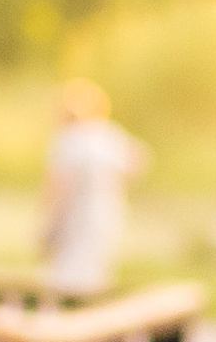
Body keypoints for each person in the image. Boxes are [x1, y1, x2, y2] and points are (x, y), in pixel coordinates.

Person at [40, 80, 148, 295]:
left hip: (76, 219)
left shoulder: (68, 140)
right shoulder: (107, 136)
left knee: (65, 280)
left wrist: (48, 228)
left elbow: (59, 187)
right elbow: (139, 160)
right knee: (95, 276)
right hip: (106, 217)